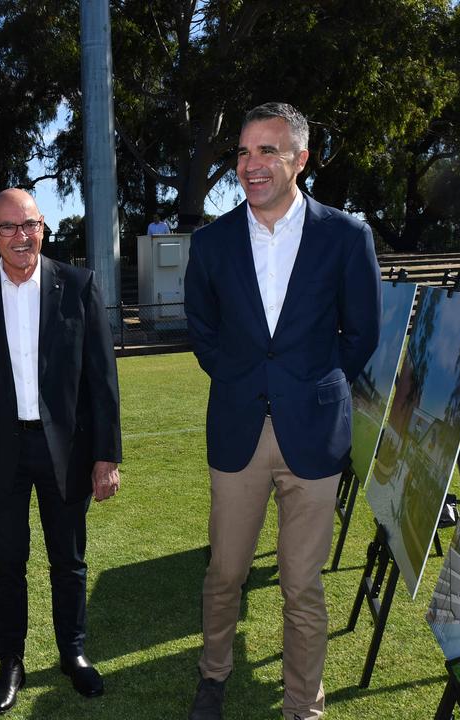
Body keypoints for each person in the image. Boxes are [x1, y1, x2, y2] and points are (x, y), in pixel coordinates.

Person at [183, 103, 380, 720]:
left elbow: (362, 334)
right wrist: (245, 380)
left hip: (314, 435)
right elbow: (202, 330)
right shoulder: (212, 242)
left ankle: (304, 705)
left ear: (301, 158)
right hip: (237, 430)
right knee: (225, 572)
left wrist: (314, 386)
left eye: (268, 150)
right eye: (243, 152)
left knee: (302, 585)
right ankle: (214, 673)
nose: (251, 165)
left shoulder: (346, 236)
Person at [0, 188, 122, 715]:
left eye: (30, 225)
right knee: (6, 561)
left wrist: (106, 456)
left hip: (65, 450)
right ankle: (11, 663)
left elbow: (101, 380)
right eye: (8, 228)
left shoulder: (79, 286)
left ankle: (73, 653)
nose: (21, 237)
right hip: (0, 454)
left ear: (43, 227)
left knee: (68, 559)